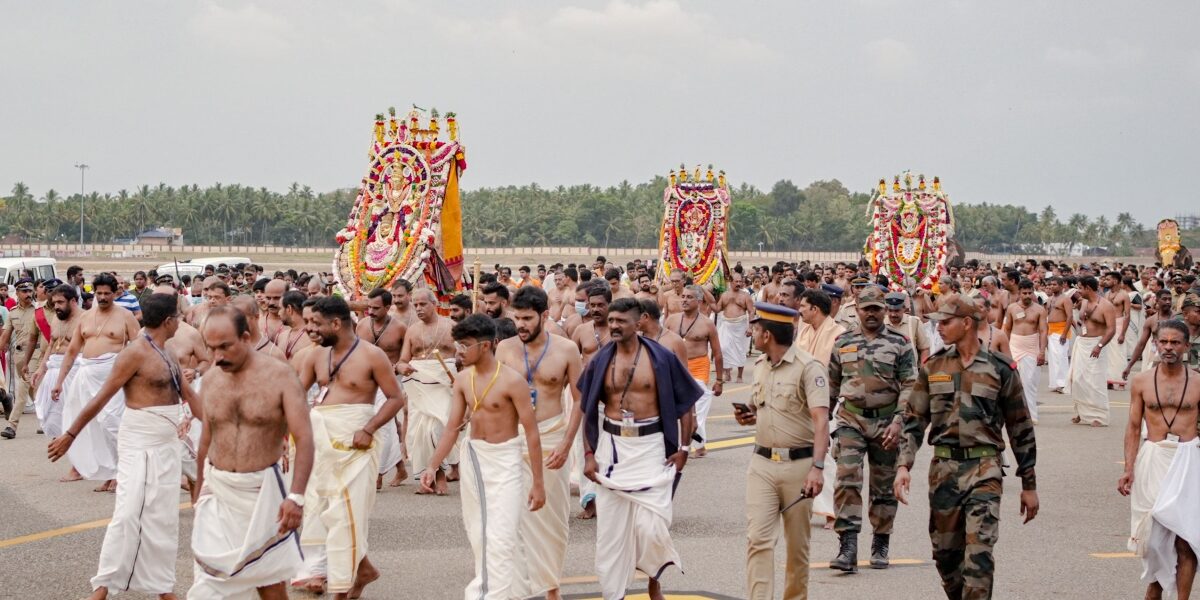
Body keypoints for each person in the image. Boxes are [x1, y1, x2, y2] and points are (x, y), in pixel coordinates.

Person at [48, 293, 203, 599]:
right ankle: (103, 587)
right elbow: (101, 397)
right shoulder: (134, 354)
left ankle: (162, 587)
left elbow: (189, 395)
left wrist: (216, 426)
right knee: (128, 512)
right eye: (178, 317)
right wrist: (70, 434)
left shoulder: (167, 351)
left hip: (166, 443)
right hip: (138, 440)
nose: (181, 322)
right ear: (169, 321)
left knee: (161, 517)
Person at [895, 295, 1039, 600]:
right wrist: (903, 465)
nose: (940, 328)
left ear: (966, 323)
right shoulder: (934, 366)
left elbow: (1020, 426)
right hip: (944, 470)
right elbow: (914, 421)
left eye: (946, 322)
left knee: (979, 556)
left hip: (984, 469)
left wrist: (1029, 483)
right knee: (946, 557)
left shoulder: (1000, 368)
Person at [580, 298, 702, 600]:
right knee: (611, 532)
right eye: (611, 321)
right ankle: (614, 594)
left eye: (621, 321)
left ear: (639, 322)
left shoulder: (661, 358)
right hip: (612, 449)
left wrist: (684, 448)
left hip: (651, 447)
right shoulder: (599, 360)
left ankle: (653, 578)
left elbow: (686, 405)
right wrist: (588, 454)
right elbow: (587, 409)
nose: (614, 326)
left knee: (652, 527)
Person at [189, 307, 312, 599]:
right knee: (207, 586)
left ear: (245, 337)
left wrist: (296, 497)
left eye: (225, 346)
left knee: (268, 584)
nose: (217, 356)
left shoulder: (280, 377)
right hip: (217, 490)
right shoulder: (210, 380)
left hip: (261, 492)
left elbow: (305, 438)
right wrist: (198, 489)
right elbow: (206, 440)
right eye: (211, 348)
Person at [420, 314, 546, 600]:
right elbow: (453, 426)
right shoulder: (463, 379)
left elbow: (532, 433)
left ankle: (490, 595)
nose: (460, 351)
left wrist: (538, 484)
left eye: (465, 345)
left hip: (507, 461)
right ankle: (512, 592)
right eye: (458, 345)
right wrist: (432, 465)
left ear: (486, 346)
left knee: (501, 536)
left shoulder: (513, 381)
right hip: (475, 458)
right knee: (479, 533)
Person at [294, 296, 404, 599]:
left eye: (317, 324)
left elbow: (396, 398)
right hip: (321, 441)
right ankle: (362, 569)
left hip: (357, 442)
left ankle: (341, 588)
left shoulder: (373, 356)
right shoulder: (316, 356)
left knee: (347, 515)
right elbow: (295, 395)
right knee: (325, 510)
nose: (311, 330)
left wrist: (368, 429)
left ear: (336, 323)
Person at [734, 303, 829, 600]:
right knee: (758, 540)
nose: (753, 332)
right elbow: (756, 405)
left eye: (757, 328)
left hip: (799, 468)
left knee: (796, 547)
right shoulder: (761, 366)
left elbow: (821, 420)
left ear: (769, 335)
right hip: (762, 464)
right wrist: (747, 414)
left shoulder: (809, 367)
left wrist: (817, 468)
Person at [495, 286, 583, 600]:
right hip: (512, 439)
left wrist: (568, 444)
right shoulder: (504, 349)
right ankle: (516, 588)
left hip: (552, 437)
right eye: (516, 318)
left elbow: (579, 399)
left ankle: (551, 587)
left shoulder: (567, 350)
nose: (521, 324)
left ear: (544, 316)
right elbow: (496, 396)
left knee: (552, 519)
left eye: (528, 318)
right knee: (511, 517)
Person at [827, 287, 916, 572]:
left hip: (887, 423)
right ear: (858, 310)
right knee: (846, 481)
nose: (873, 313)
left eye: (877, 308)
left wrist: (899, 420)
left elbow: (910, 386)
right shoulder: (843, 342)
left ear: (884, 310)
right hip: (851, 420)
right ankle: (847, 546)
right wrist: (820, 423)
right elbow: (831, 384)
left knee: (883, 486)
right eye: (867, 309)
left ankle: (881, 541)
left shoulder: (900, 343)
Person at [1119, 319, 1200, 600]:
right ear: (1156, 344)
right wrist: (1128, 468)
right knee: (1152, 540)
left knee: (1186, 541)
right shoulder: (1141, 381)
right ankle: (1155, 589)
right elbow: (1132, 427)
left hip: (1188, 461)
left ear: (1186, 346)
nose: (1168, 347)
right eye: (1163, 342)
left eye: (1175, 342)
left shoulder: (1198, 381)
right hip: (1153, 457)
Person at [51, 273, 141, 491]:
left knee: (112, 423)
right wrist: (59, 382)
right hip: (86, 374)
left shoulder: (126, 316)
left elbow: (139, 348)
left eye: (106, 294)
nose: (102, 297)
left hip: (114, 375)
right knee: (93, 426)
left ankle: (123, 472)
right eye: (98, 293)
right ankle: (110, 472)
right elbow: (72, 352)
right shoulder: (85, 318)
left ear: (115, 293)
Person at [396, 288, 459, 494]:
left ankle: (439, 475)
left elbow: (465, 358)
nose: (418, 308)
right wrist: (402, 367)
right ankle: (429, 478)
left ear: (434, 303)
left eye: (423, 304)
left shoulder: (451, 327)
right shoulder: (412, 330)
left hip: (443, 386)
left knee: (436, 430)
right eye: (415, 304)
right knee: (418, 434)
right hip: (419, 387)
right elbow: (402, 361)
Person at [792, 287, 845, 529]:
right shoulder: (803, 331)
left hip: (829, 402)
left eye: (803, 306)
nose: (799, 310)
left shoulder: (839, 334)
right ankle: (812, 505)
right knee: (804, 453)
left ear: (815, 309)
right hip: (802, 401)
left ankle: (834, 510)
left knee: (826, 456)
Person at [354, 287, 408, 489]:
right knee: (386, 426)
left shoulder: (400, 328)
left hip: (391, 383)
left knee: (383, 426)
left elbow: (405, 356)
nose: (371, 312)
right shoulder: (361, 326)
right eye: (369, 307)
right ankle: (400, 468)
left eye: (376, 308)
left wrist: (399, 367)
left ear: (388, 307)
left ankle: (378, 473)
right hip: (367, 382)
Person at [664, 285, 723, 457]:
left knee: (697, 410)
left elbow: (717, 353)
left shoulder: (707, 324)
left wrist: (719, 380)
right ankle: (692, 445)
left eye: (689, 297)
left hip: (698, 368)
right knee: (677, 409)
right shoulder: (672, 320)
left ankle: (695, 445)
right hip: (675, 368)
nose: (684, 300)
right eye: (683, 296)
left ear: (698, 301)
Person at [30, 285, 82, 463]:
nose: (57, 306)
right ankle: (71, 455)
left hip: (76, 370)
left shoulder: (85, 319)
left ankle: (78, 464)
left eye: (60, 302)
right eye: (54, 303)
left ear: (73, 301)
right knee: (53, 414)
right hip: (54, 368)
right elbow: (51, 345)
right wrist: (41, 369)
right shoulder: (56, 319)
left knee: (76, 415)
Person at [1068, 276, 1116, 427]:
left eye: (1080, 288)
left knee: (1095, 381)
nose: (1078, 291)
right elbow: (1082, 320)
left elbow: (1111, 329)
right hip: (1082, 344)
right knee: (1078, 380)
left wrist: (1099, 346)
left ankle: (1099, 416)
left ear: (1088, 288)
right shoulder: (1083, 302)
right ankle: (1082, 413)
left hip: (1096, 345)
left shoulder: (1106, 306)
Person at [1002, 279, 1048, 424]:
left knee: (1029, 383)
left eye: (1030, 292)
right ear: (1019, 293)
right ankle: (1013, 415)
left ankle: (1031, 415)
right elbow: (1007, 329)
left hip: (1031, 347)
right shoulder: (1011, 308)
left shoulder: (1040, 310)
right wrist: (1004, 350)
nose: (1027, 295)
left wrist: (1042, 352)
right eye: (1024, 293)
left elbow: (1043, 331)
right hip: (1014, 346)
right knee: (1013, 382)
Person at [0, 279, 37, 439]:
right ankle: (50, 419)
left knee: (22, 389)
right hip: (19, 355)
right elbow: (5, 336)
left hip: (36, 354)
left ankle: (11, 426)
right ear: (18, 293)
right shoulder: (13, 312)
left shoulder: (39, 311)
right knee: (35, 392)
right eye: (24, 291)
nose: (28, 294)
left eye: (30, 291)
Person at [1125, 290, 1177, 381]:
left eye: (1170, 299)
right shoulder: (1151, 321)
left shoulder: (1177, 318)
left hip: (1176, 359)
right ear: (1156, 300)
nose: (1168, 302)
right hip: (1157, 358)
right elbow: (1141, 344)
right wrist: (1129, 366)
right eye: (1164, 299)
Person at [716, 272, 754, 383]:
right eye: (736, 281)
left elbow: (751, 311)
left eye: (740, 281)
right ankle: (727, 373)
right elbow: (717, 309)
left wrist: (750, 327)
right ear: (730, 282)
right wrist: (710, 298)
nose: (739, 283)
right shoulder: (724, 295)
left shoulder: (745, 295)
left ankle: (739, 376)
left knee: (740, 351)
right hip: (726, 325)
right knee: (724, 348)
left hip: (741, 326)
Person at [884, 292, 931, 364]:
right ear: (886, 309)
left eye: (897, 311)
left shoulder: (914, 322)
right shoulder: (881, 324)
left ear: (904, 308)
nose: (893, 314)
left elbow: (925, 349)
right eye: (890, 311)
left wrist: (923, 370)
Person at [571, 282, 612, 365]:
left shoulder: (619, 329)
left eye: (600, 305)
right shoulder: (580, 330)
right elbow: (570, 359)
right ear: (588, 306)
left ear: (610, 305)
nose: (595, 309)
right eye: (592, 305)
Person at [1106, 272, 1133, 388]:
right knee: (1107, 355)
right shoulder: (1106, 294)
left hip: (1119, 325)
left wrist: (1123, 333)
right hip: (1107, 326)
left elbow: (1127, 315)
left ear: (1115, 281)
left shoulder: (1124, 295)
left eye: (1108, 279)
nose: (1105, 281)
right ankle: (1109, 381)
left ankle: (1121, 381)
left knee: (1119, 354)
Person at [1047, 279, 1073, 393]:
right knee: (1053, 359)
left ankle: (1064, 384)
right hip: (1050, 330)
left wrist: (1064, 333)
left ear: (1062, 285)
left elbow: (1070, 317)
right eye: (1051, 284)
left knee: (1061, 357)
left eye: (1055, 284)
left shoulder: (1065, 299)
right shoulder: (1049, 299)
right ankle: (1055, 383)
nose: (1052, 286)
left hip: (1061, 330)